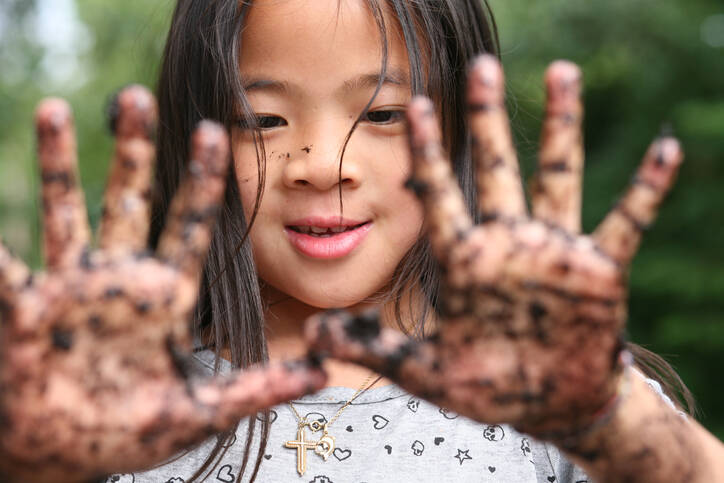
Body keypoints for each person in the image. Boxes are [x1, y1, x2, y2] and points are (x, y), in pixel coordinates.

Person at [0, 0, 723, 482]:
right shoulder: (121, 404)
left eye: (380, 112)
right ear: (199, 140)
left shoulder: (544, 384)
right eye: (262, 119)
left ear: (464, 132)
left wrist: (607, 418)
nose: (323, 164)